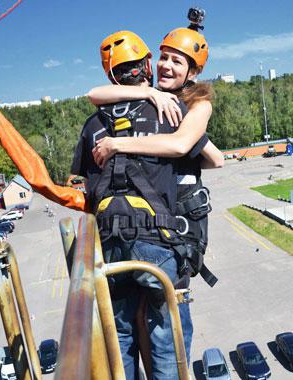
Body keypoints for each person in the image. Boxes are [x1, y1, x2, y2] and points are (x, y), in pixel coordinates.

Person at [71, 30, 221, 380]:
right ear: (150, 63)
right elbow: (207, 156)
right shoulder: (174, 111)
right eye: (164, 57)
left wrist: (118, 144)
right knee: (167, 340)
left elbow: (191, 147)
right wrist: (152, 96)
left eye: (176, 60)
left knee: (119, 334)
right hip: (162, 242)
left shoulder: (95, 123)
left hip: (111, 245)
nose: (167, 65)